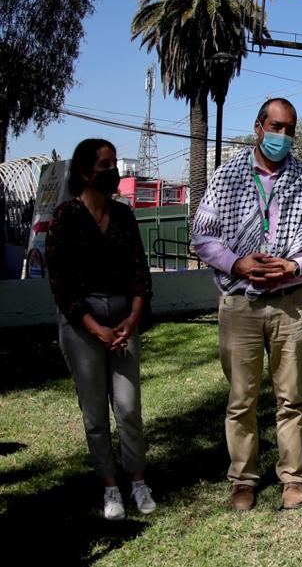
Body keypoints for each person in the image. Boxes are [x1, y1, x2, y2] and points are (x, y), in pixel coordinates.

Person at [192, 98, 302, 511]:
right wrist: (238, 263)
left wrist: (291, 265)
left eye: (290, 129)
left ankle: (293, 476)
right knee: (242, 399)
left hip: (290, 302)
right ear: (258, 127)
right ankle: (243, 480)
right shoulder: (228, 175)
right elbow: (203, 236)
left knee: (291, 398)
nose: (283, 137)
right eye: (276, 127)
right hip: (240, 304)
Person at [46, 138, 156, 520]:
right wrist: (96, 329)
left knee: (128, 407)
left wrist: (131, 319)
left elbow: (140, 272)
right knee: (95, 412)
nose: (114, 172)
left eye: (114, 164)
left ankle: (138, 481)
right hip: (83, 324)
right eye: (106, 165)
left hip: (124, 319)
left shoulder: (124, 216)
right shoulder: (65, 219)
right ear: (84, 172)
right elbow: (62, 286)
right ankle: (110, 487)